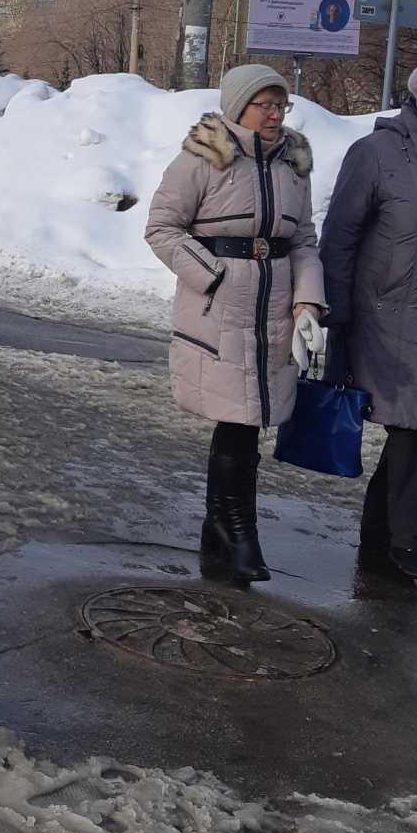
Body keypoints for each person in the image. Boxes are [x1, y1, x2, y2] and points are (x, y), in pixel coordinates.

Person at [145, 65, 325, 585]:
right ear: (237, 107)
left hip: (275, 305)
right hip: (221, 306)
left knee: (250, 419)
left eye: (280, 105)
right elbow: (161, 228)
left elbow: (304, 240)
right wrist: (214, 276)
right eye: (263, 104)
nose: (273, 115)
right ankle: (238, 533)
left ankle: (221, 532)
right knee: (240, 419)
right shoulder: (205, 156)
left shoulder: (294, 160)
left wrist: (308, 303)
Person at [319, 49, 417, 591]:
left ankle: (380, 550)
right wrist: (332, 316)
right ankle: (410, 542)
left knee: (416, 428)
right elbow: (338, 239)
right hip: (388, 322)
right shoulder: (377, 154)